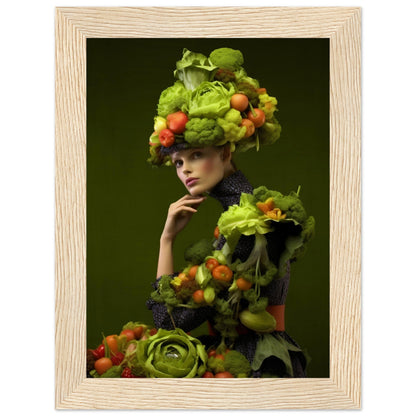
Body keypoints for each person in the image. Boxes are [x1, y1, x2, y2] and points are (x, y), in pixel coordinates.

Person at [146, 47, 314, 377]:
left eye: (196, 155)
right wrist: (168, 237)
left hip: (256, 362)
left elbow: (169, 321)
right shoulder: (242, 211)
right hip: (241, 356)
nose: (185, 170)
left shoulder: (247, 224)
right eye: (178, 162)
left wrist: (166, 242)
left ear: (225, 152)